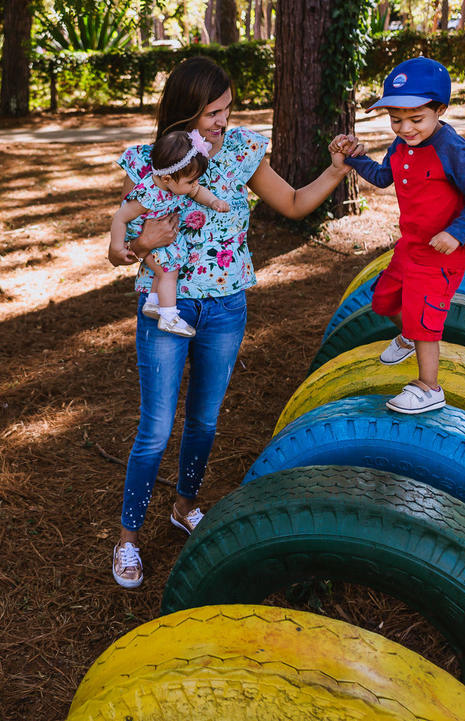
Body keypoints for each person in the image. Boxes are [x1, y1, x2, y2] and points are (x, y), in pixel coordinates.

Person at [109, 56, 355, 589]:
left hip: (225, 308)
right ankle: (128, 538)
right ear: (185, 111)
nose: (223, 121)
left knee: (204, 421)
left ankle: (184, 507)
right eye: (212, 112)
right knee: (155, 429)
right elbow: (119, 247)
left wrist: (336, 170)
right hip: (165, 308)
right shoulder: (151, 160)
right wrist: (141, 242)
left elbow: (294, 203)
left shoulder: (243, 150)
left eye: (227, 109)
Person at [332, 56, 465, 415]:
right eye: (396, 119)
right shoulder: (402, 144)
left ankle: (429, 387)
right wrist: (353, 157)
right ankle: (407, 336)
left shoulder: (450, 148)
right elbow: (382, 176)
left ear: (440, 110)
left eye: (416, 119)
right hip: (410, 247)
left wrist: (456, 232)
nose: (405, 128)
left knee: (424, 321)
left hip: (440, 254)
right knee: (383, 301)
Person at [109, 129, 231, 338]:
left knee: (166, 267)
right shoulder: (147, 196)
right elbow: (120, 217)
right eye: (191, 181)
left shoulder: (175, 182)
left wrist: (213, 201)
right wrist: (117, 246)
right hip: (147, 237)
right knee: (168, 272)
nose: (195, 185)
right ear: (167, 178)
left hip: (163, 238)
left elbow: (197, 191)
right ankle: (168, 316)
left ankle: (153, 302)